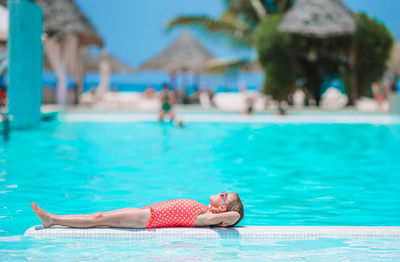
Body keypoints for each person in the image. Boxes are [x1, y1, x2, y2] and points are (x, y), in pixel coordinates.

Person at [31, 192, 244, 229]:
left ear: (223, 207)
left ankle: (52, 219)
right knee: (99, 216)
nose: (221, 192)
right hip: (147, 212)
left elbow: (234, 216)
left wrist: (225, 216)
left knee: (98, 218)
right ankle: (53, 219)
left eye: (224, 195)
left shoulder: (207, 217)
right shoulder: (206, 210)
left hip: (147, 219)